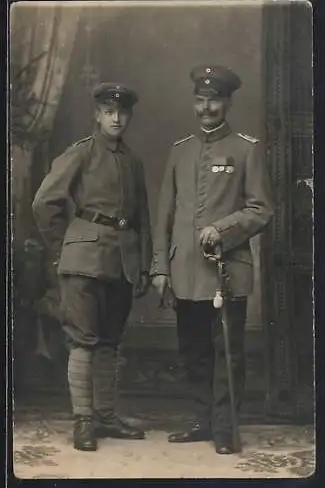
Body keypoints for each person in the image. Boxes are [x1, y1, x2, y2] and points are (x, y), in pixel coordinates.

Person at [151, 65, 274, 454]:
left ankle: (225, 429)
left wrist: (223, 229)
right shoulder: (179, 150)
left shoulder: (246, 148)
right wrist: (159, 267)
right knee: (193, 350)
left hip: (226, 272)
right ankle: (202, 421)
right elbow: (164, 215)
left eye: (214, 100)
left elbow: (261, 209)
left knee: (227, 352)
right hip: (185, 269)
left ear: (227, 102)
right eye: (200, 100)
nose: (206, 108)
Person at [32, 82, 152, 451]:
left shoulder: (132, 161)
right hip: (83, 261)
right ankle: (83, 420)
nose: (116, 118)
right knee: (83, 339)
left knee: (110, 342)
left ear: (128, 116)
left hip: (122, 261)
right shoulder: (80, 154)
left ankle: (106, 415)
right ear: (97, 115)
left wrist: (144, 264)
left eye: (122, 112)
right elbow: (44, 202)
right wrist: (64, 246)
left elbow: (142, 218)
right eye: (108, 111)